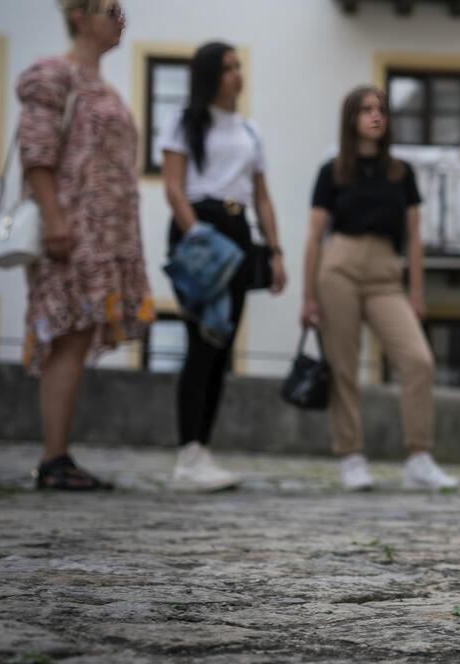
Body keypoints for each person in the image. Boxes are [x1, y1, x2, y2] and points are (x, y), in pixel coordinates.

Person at [21, 0, 154, 490]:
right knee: (68, 335)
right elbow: (36, 150)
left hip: (102, 236)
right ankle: (53, 459)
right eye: (111, 10)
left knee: (76, 337)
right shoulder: (55, 74)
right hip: (71, 233)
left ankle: (59, 456)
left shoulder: (100, 85)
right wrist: (56, 220)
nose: (120, 19)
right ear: (80, 16)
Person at [302, 85, 459, 491]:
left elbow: (414, 236)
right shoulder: (333, 170)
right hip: (340, 267)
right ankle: (351, 456)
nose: (375, 115)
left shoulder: (400, 172)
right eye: (366, 109)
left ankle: (419, 457)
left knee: (419, 361)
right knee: (344, 366)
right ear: (350, 117)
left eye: (381, 109)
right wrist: (307, 297)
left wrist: (418, 293)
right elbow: (315, 234)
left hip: (387, 273)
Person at [159, 42, 286, 492]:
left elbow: (263, 197)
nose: (236, 74)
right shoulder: (184, 122)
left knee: (221, 346)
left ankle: (201, 450)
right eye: (227, 67)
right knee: (201, 341)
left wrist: (274, 251)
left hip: (238, 234)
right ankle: (187, 453)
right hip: (200, 231)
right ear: (210, 75)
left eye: (238, 66)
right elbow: (173, 188)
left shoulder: (250, 131)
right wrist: (197, 237)